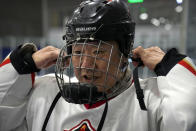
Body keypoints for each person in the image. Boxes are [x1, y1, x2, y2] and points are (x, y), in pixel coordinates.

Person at [0, 0, 196, 131]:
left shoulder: (153, 99)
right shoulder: (45, 93)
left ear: (123, 54)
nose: (86, 65)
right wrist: (20, 66)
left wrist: (171, 66)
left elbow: (187, 120)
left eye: (99, 52)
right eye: (78, 52)